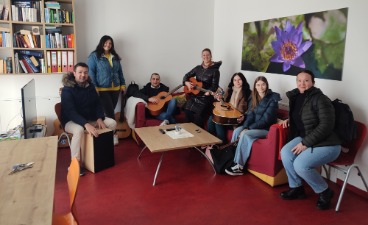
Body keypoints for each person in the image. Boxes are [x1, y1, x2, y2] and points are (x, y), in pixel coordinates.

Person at [278, 70, 341, 210]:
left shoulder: (320, 99)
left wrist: (305, 143)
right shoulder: (297, 96)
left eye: (306, 80)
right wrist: (290, 120)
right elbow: (305, 117)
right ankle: (297, 188)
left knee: (300, 165)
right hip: (307, 137)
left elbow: (326, 126)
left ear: (313, 82)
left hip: (328, 143)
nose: (302, 83)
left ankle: (325, 192)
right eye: (299, 80)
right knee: (286, 153)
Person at [61, 62, 117, 176]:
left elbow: (97, 104)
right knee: (79, 130)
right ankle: (75, 163)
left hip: (89, 119)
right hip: (70, 121)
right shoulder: (67, 90)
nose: (83, 75)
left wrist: (100, 118)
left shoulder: (90, 86)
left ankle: (100, 155)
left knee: (112, 123)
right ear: (74, 73)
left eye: (85, 72)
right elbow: (71, 112)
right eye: (80, 72)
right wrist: (85, 124)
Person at [225, 76, 281, 176]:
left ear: (267, 85)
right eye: (258, 85)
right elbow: (250, 115)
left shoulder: (273, 99)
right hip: (253, 126)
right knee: (237, 131)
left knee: (245, 135)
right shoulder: (254, 97)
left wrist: (248, 129)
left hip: (265, 129)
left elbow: (266, 120)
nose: (261, 87)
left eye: (263, 84)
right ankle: (232, 159)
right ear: (255, 86)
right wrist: (245, 127)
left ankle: (239, 166)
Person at [87, 35, 126, 120]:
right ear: (102, 43)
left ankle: (106, 131)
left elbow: (120, 72)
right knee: (110, 114)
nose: (108, 45)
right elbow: (91, 72)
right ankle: (112, 132)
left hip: (116, 89)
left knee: (110, 112)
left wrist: (123, 85)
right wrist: (95, 86)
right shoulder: (94, 56)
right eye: (106, 42)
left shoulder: (115, 56)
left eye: (110, 43)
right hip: (102, 89)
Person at [207, 72, 251, 144]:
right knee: (211, 118)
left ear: (243, 80)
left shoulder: (248, 93)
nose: (237, 82)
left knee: (218, 122)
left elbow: (250, 109)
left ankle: (221, 145)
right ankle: (210, 142)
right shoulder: (230, 90)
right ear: (232, 82)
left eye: (239, 79)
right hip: (227, 116)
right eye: (235, 80)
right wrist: (220, 99)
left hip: (237, 119)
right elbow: (225, 104)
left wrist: (244, 116)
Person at [183, 48, 221, 127]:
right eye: (204, 55)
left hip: (206, 98)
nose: (205, 56)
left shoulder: (215, 71)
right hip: (195, 96)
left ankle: (198, 135)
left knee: (198, 118)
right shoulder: (198, 68)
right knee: (187, 110)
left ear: (211, 56)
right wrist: (186, 83)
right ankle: (187, 133)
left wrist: (209, 91)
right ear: (201, 56)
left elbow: (215, 85)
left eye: (207, 55)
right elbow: (186, 76)